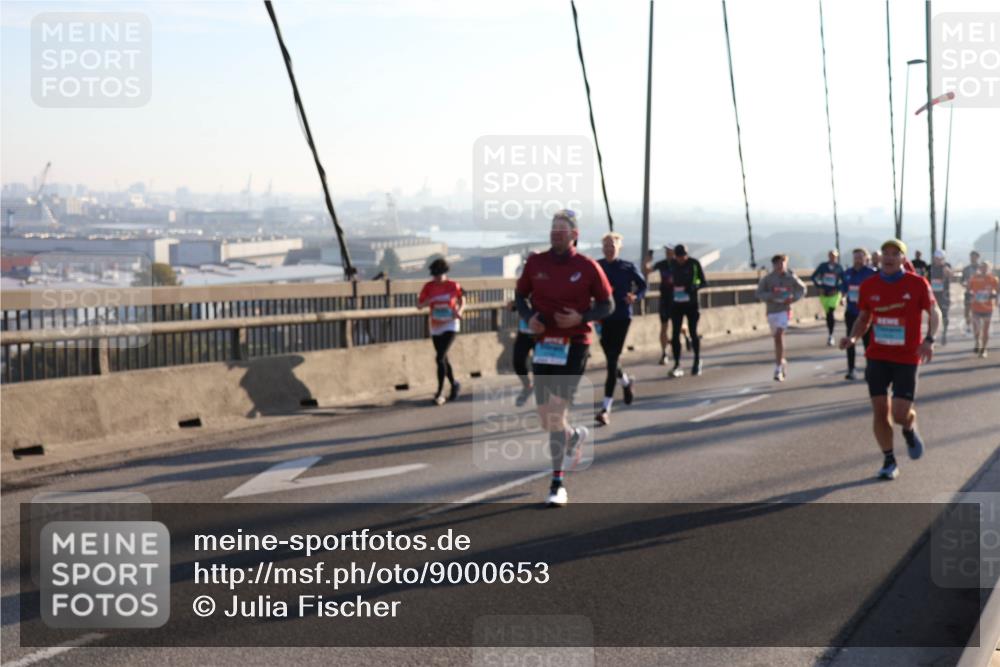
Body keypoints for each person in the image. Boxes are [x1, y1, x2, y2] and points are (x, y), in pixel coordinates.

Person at [515, 209, 613, 507]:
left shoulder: (587, 266)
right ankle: (572, 436)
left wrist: (581, 317)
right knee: (547, 417)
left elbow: (607, 305)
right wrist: (530, 317)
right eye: (553, 229)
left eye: (562, 229)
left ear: (574, 235)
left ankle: (557, 483)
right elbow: (520, 297)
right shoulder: (535, 263)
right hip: (545, 344)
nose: (556, 233)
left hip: (575, 343)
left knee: (556, 410)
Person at [839, 238, 940, 480]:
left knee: (899, 413)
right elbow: (864, 317)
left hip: (907, 357)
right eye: (886, 252)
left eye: (895, 253)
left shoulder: (917, 283)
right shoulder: (869, 285)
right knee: (880, 409)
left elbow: (934, 312)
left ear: (903, 259)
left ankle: (908, 426)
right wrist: (853, 338)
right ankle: (888, 459)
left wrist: (929, 340)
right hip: (878, 356)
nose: (889, 257)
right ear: (880, 257)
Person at [595, 232, 646, 426]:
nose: (609, 248)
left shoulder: (627, 266)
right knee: (611, 359)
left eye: (613, 245)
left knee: (611, 362)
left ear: (619, 248)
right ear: (603, 247)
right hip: (602, 319)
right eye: (606, 245)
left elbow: (643, 285)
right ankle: (625, 382)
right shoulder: (597, 266)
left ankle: (605, 409)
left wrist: (636, 297)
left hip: (622, 317)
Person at [417, 258, 464, 405]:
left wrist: (460, 311)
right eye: (434, 275)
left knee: (439, 358)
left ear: (445, 273)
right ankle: (454, 384)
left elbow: (463, 298)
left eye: (439, 275)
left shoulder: (453, 285)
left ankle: (439, 392)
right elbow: (419, 305)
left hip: (450, 324)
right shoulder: (428, 287)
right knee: (443, 359)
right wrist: (427, 302)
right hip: (436, 325)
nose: (436, 278)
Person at [756, 254, 806, 381]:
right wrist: (771, 295)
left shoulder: (791, 278)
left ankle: (778, 368)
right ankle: (782, 360)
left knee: (779, 335)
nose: (780, 266)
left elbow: (802, 289)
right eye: (778, 263)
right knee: (776, 339)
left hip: (784, 310)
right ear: (773, 265)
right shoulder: (768, 279)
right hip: (772, 311)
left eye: (783, 263)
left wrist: (792, 298)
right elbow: (759, 293)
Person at [664, 244, 707, 377]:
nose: (681, 259)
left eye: (683, 256)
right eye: (679, 256)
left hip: (691, 304)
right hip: (676, 304)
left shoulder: (694, 263)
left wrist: (694, 286)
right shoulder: (672, 265)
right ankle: (677, 364)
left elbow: (704, 282)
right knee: (675, 334)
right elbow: (667, 281)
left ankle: (697, 360)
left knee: (693, 332)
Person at [840, 248, 877, 380]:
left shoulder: (872, 273)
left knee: (868, 342)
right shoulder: (847, 273)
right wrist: (842, 298)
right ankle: (851, 369)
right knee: (850, 340)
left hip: (867, 313)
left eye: (861, 257)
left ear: (866, 259)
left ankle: (870, 369)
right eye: (856, 257)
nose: (858, 260)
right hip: (851, 311)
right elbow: (844, 290)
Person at [811, 249, 845, 346]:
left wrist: (838, 288)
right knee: (828, 314)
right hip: (824, 293)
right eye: (831, 255)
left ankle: (831, 335)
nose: (832, 257)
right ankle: (830, 333)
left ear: (837, 256)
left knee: (831, 311)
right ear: (828, 256)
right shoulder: (823, 266)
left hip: (834, 294)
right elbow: (813, 277)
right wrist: (819, 286)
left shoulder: (839, 268)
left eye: (834, 255)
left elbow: (844, 281)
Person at [650, 245, 676, 365]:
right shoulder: (662, 264)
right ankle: (664, 353)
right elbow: (647, 270)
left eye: (669, 251)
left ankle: (685, 337)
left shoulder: (679, 263)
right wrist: (648, 258)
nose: (667, 253)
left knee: (679, 327)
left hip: (677, 300)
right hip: (665, 299)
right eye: (666, 251)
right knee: (664, 327)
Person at [968, 260, 998, 358]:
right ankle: (977, 341)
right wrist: (970, 294)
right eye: (982, 267)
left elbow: (998, 291)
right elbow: (968, 290)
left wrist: (994, 295)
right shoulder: (974, 278)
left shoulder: (993, 279)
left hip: (988, 308)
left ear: (989, 268)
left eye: (986, 267)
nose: (983, 269)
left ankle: (984, 349)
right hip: (975, 307)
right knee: (977, 329)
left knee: (986, 330)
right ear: (980, 268)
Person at [508, 299, 535, 407]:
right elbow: (511, 307)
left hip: (542, 334)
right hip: (524, 333)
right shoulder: (524, 288)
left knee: (540, 366)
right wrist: (512, 305)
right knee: (517, 362)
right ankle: (527, 386)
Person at [928, 249, 954, 346]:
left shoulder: (946, 266)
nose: (938, 260)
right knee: (932, 315)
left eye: (940, 259)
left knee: (945, 316)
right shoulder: (931, 267)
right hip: (933, 295)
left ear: (943, 259)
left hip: (944, 295)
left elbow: (952, 275)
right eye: (936, 258)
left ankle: (944, 333)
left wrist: (948, 272)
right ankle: (930, 336)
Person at [961, 250, 982, 333]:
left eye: (974, 257)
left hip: (979, 294)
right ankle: (968, 325)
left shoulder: (981, 268)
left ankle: (977, 325)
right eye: (971, 256)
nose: (972, 258)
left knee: (978, 311)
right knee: (967, 311)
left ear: (977, 257)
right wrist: (964, 284)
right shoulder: (966, 269)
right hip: (968, 293)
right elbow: (961, 280)